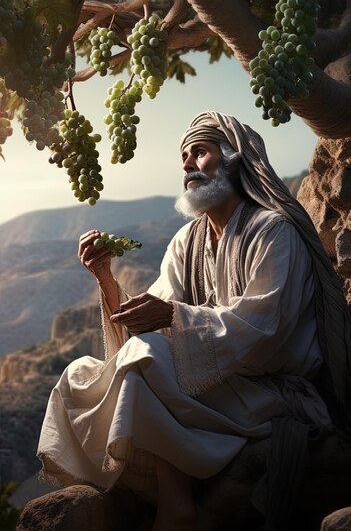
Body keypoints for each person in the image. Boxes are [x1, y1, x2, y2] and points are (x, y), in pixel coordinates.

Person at [37, 111, 351, 531]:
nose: (186, 164)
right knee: (79, 374)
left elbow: (266, 329)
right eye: (183, 155)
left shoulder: (274, 232)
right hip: (213, 381)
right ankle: (173, 496)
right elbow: (149, 321)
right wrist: (106, 277)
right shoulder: (188, 240)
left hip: (270, 389)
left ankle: (175, 503)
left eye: (199, 152)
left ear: (235, 159)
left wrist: (172, 317)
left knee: (146, 357)